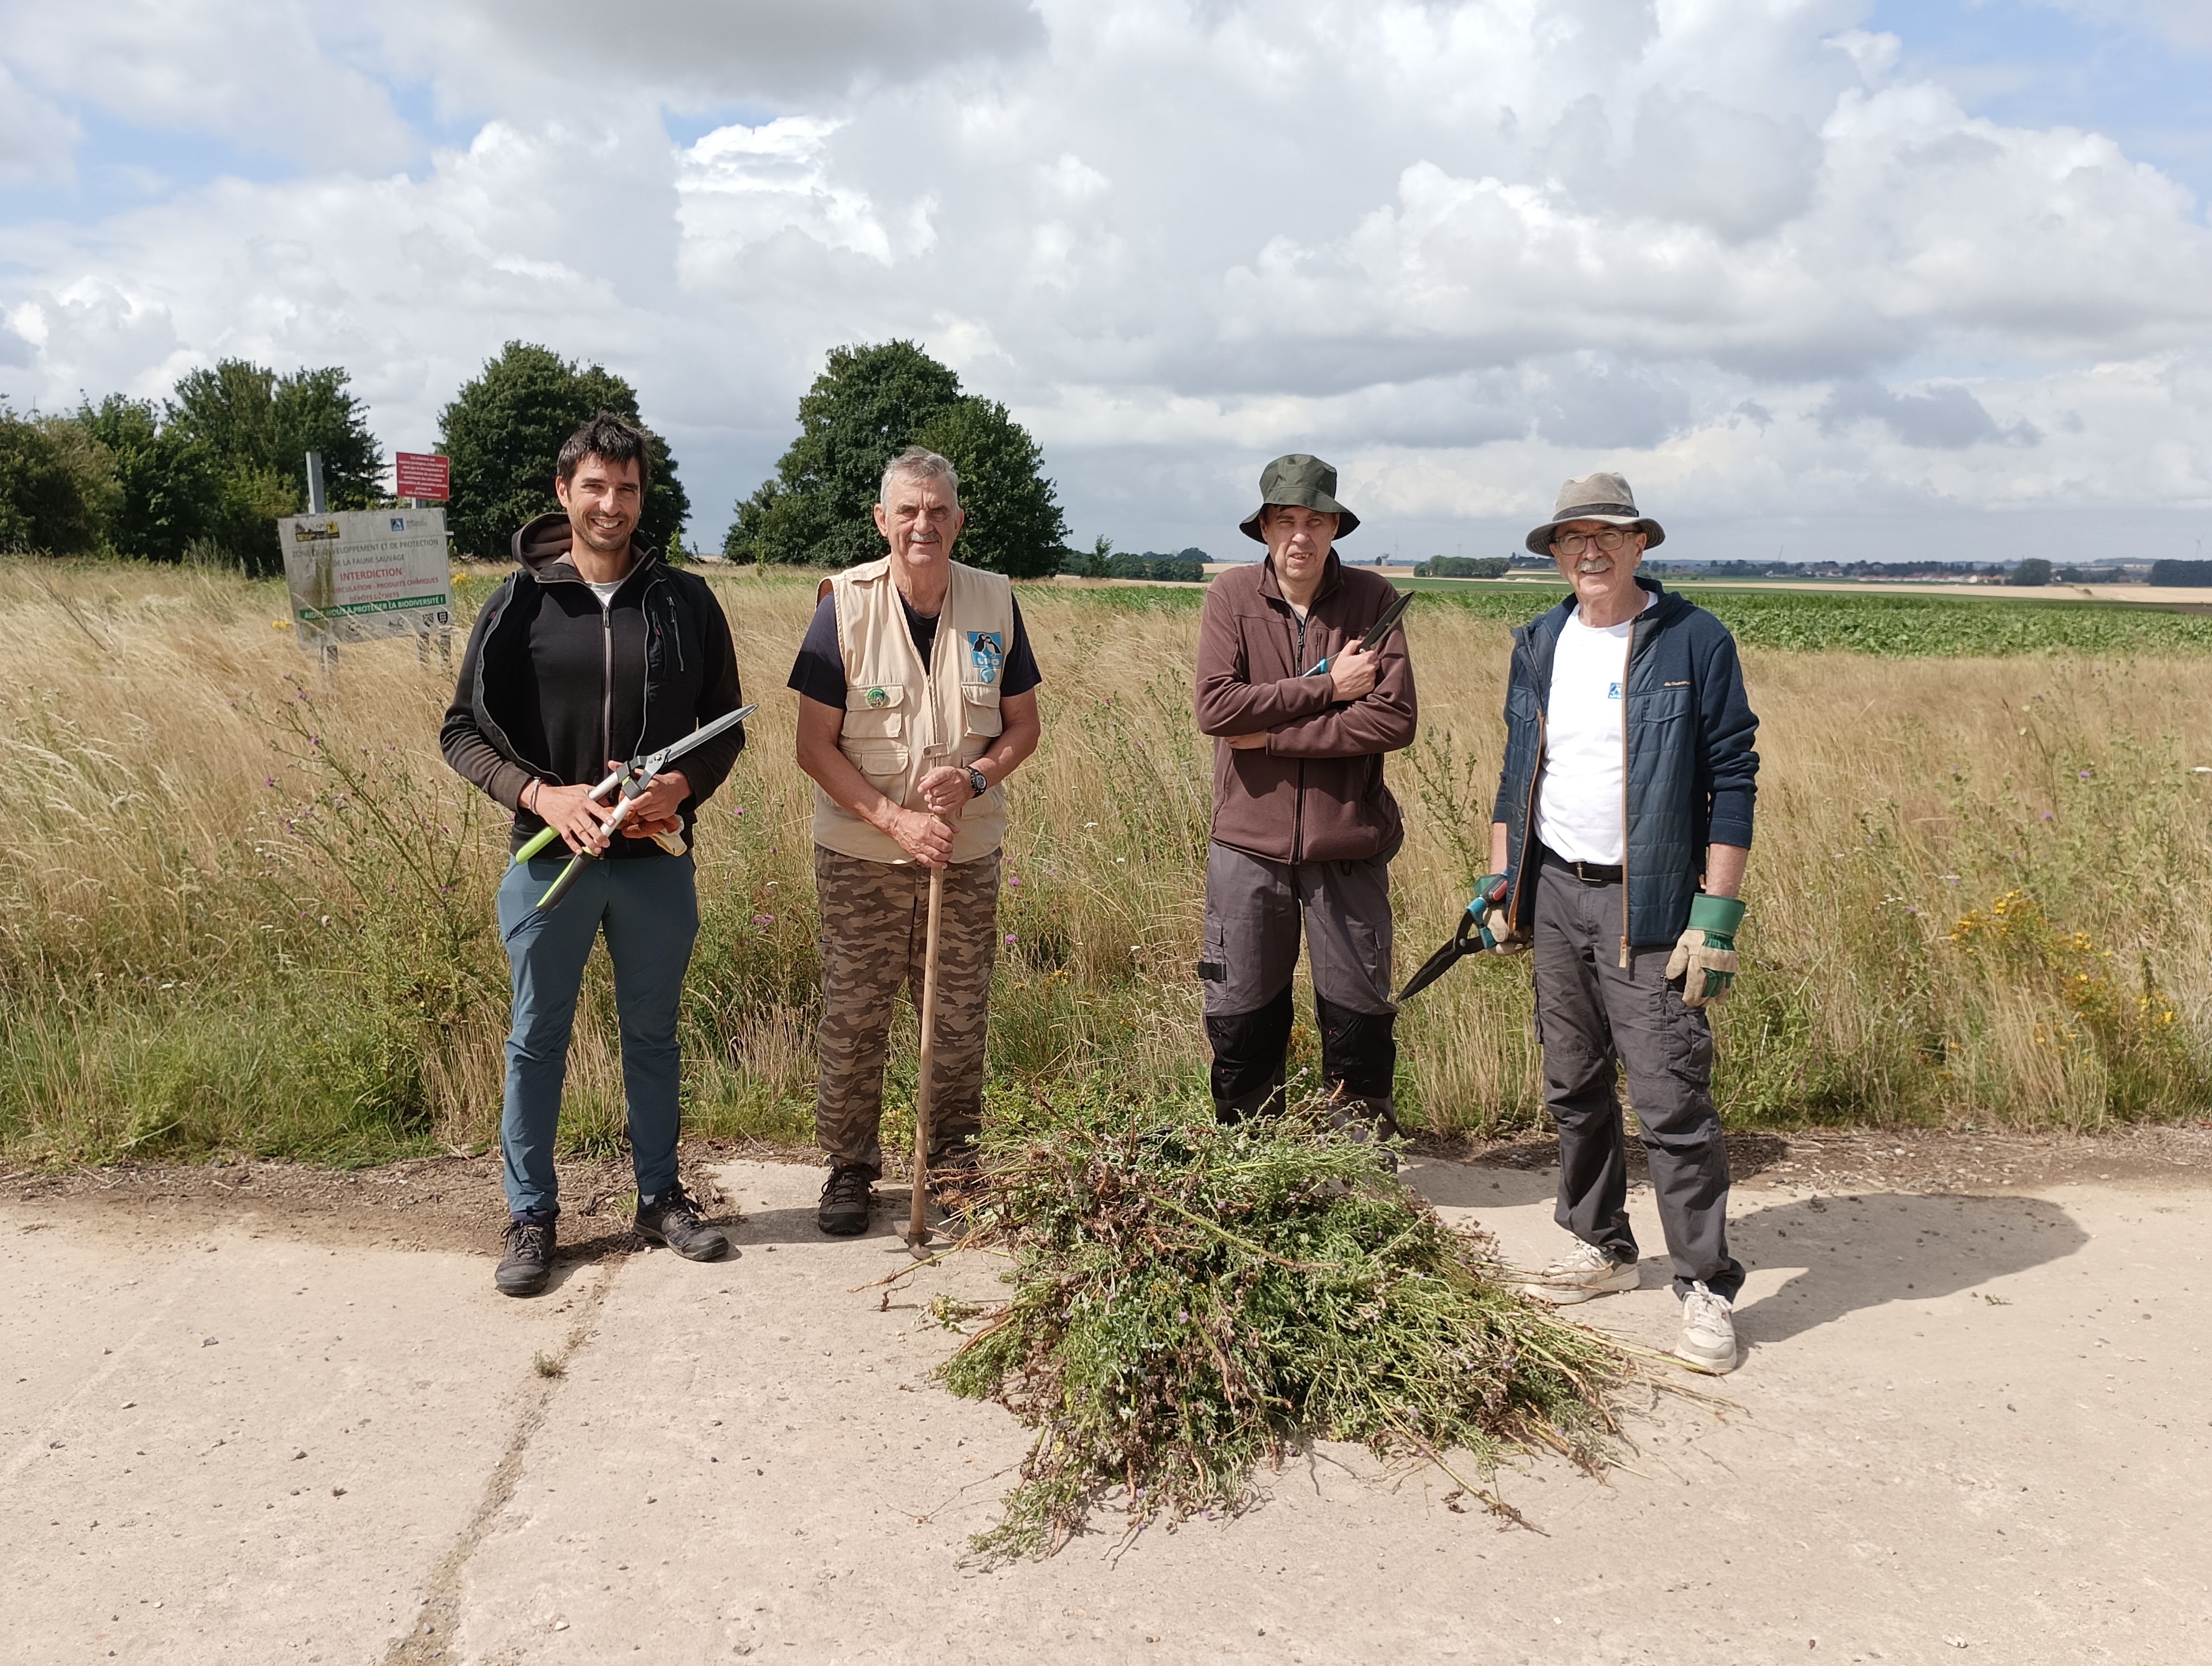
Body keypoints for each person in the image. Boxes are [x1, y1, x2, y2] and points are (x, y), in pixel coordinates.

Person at [442, 411, 747, 1297]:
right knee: (537, 1040)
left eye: (627, 488)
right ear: (564, 494)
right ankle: (532, 1215)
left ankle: (659, 1196)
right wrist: (545, 796)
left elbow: (725, 730)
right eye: (595, 487)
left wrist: (677, 790)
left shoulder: (687, 601)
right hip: (550, 859)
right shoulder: (517, 605)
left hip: (656, 863)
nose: (611, 504)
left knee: (653, 1034)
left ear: (642, 497)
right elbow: (461, 732)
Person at [1482, 471, 1759, 1371]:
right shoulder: (1540, 640)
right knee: (1572, 1080)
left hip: (1655, 903)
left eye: (1607, 534)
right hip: (1557, 890)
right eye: (1572, 539)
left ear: (1641, 543)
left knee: (1672, 1095)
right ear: (1556, 553)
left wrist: (1714, 917)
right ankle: (1600, 1244)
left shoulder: (1692, 641)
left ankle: (1707, 1284)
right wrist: (1501, 882)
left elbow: (1733, 776)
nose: (1589, 551)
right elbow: (1518, 765)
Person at [790, 446, 1042, 1236]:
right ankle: (849, 1169)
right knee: (857, 1016)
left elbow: (1024, 727)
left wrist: (974, 780)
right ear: (883, 520)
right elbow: (813, 745)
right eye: (909, 511)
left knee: (958, 1017)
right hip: (863, 858)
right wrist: (894, 819)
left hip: (963, 858)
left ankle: (955, 1162)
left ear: (958, 519)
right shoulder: (845, 604)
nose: (923, 525)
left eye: (938, 510)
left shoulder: (996, 603)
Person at [1191, 454, 1417, 1138]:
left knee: (1358, 1017)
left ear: (1335, 527)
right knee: (1241, 1013)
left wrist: (1273, 737)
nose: (1300, 536)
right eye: (1285, 520)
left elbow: (1392, 719)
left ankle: (1357, 1173)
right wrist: (1326, 689)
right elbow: (1217, 710)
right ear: (1263, 528)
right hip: (1247, 848)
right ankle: (1252, 1166)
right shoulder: (1231, 596)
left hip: (1347, 846)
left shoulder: (1373, 600)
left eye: (1315, 521)